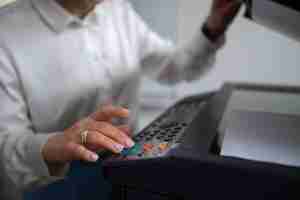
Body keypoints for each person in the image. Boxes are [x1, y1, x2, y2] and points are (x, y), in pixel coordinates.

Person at [0, 0, 241, 199]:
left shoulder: (117, 9)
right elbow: (6, 146)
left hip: (130, 170)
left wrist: (213, 28)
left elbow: (173, 66)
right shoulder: (6, 31)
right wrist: (54, 146)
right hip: (52, 186)